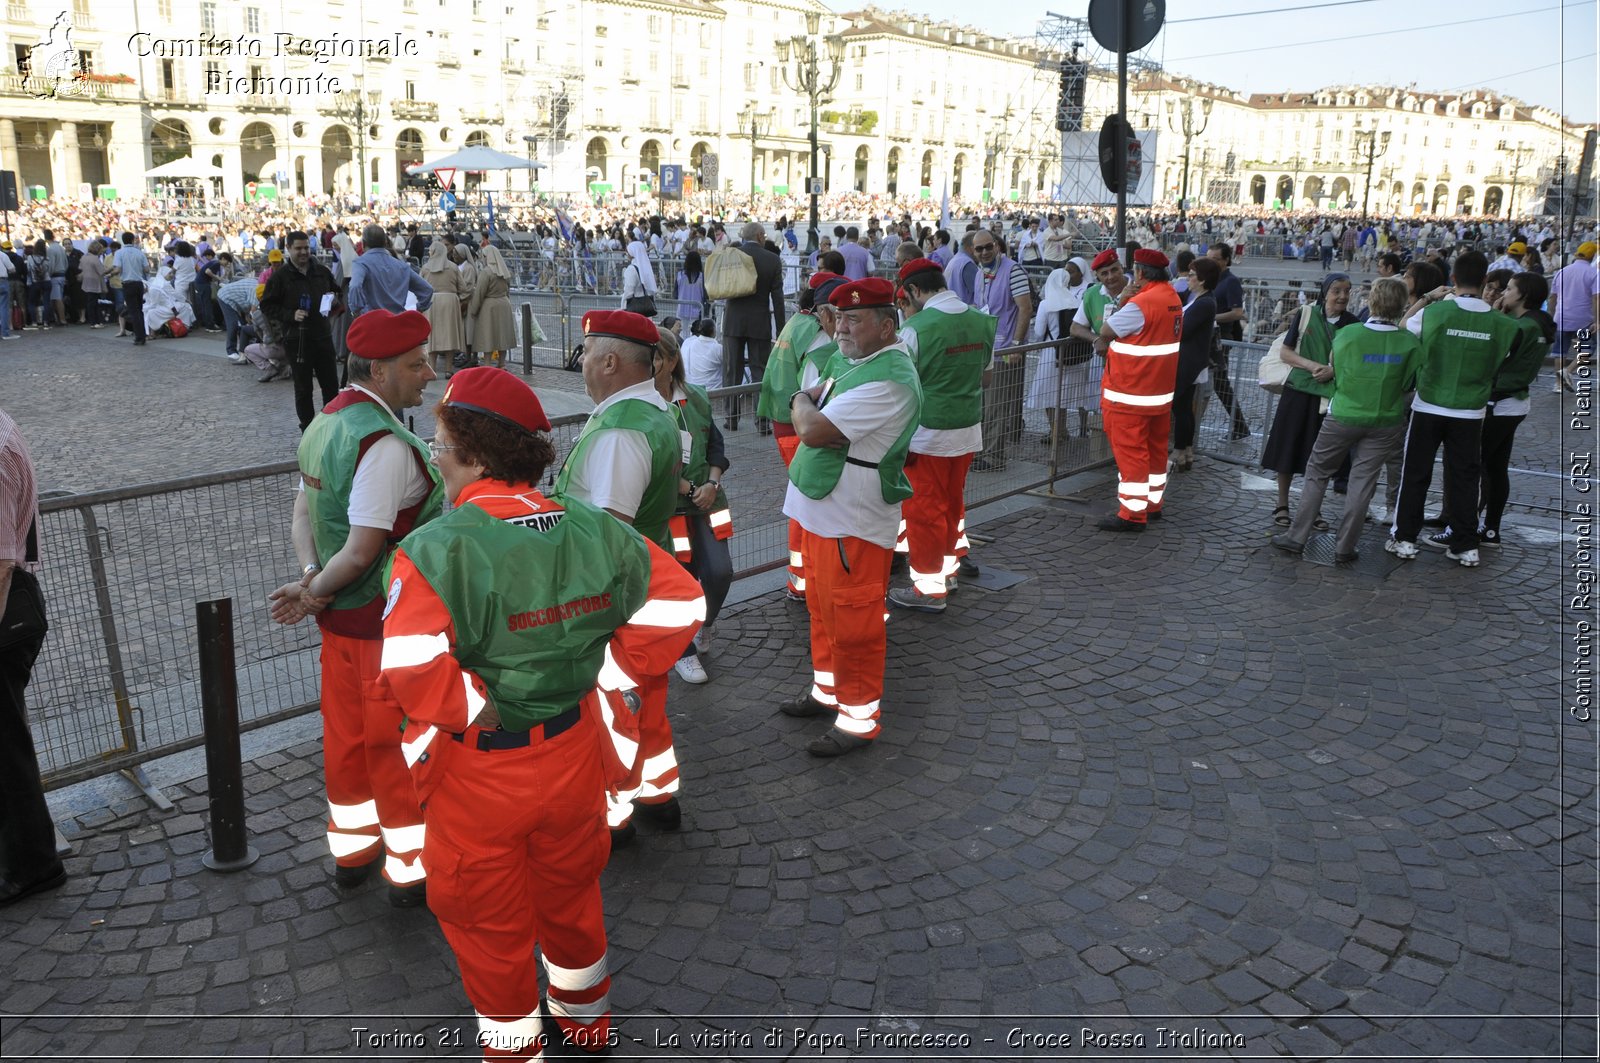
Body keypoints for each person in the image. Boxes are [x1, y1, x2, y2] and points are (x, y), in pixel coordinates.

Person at [380, 366, 702, 1061]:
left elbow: (409, 666)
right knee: (572, 899)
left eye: (438, 444)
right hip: (573, 754)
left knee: (489, 926)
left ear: (473, 453)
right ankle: (586, 1025)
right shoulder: (590, 526)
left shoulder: (438, 547)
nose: (434, 456)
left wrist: (478, 709)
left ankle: (516, 1051)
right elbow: (681, 601)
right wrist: (608, 675)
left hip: (480, 772)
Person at [267, 309, 441, 905]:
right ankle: (409, 870)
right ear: (380, 369)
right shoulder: (383, 443)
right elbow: (366, 548)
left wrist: (312, 580)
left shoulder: (326, 424)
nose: (429, 373)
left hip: (340, 626)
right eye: (417, 364)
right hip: (381, 623)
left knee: (345, 742)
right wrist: (317, 590)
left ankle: (352, 853)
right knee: (393, 746)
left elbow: (302, 515)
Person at [553, 310, 684, 842]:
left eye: (586, 354)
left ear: (609, 360)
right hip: (647, 577)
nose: (581, 364)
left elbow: (608, 532)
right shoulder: (650, 413)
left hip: (615, 594)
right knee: (645, 699)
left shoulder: (620, 429)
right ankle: (657, 794)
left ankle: (617, 811)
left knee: (615, 703)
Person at [780, 278, 921, 756]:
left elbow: (813, 427)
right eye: (838, 317)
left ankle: (858, 719)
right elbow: (815, 404)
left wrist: (800, 400)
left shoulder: (889, 378)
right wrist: (807, 402)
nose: (840, 328)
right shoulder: (857, 360)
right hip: (824, 511)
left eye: (853, 319)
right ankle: (828, 691)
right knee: (823, 612)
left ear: (886, 326)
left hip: (851, 521)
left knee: (854, 623)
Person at [1270, 278, 1420, 563]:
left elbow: (1335, 369)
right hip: (1386, 418)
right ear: (1401, 306)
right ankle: (1345, 546)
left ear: (1372, 302)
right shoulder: (1409, 342)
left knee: (1317, 472)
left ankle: (1296, 536)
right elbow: (1411, 384)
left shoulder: (1349, 334)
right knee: (1363, 482)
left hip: (1345, 413)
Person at [1387, 250, 1520, 567]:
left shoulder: (1435, 313)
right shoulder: (1503, 324)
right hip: (1471, 409)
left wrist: (1428, 300)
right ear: (1486, 280)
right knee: (1465, 477)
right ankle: (1465, 542)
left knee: (1416, 473)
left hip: (1430, 403)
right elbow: (1502, 359)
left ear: (1453, 279)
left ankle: (1405, 538)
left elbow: (1404, 327)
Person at [887, 259, 994, 614]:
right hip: (967, 430)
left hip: (926, 436)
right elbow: (986, 377)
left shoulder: (918, 328)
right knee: (951, 507)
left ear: (915, 291)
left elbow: (899, 385)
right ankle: (948, 575)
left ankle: (929, 591)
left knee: (924, 513)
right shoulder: (981, 320)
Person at [0, 407, 65, 908]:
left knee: (6, 751)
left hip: (6, 613)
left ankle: (31, 866)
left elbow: (0, 561)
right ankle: (25, 860)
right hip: (13, 605)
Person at [757, 272, 846, 603]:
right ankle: (804, 578)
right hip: (799, 428)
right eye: (842, 316)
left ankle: (801, 578)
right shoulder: (821, 343)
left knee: (803, 498)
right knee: (807, 500)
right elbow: (814, 398)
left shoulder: (798, 323)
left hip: (785, 420)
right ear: (826, 314)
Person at [652, 329, 732, 685]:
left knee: (719, 573)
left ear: (670, 361)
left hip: (707, 502)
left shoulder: (695, 397)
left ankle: (706, 625)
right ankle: (682, 651)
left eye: (653, 357)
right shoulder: (641, 405)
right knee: (678, 581)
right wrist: (691, 487)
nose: (646, 365)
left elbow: (716, 444)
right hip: (670, 509)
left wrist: (712, 484)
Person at [1093, 249, 1185, 531]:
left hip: (1129, 395)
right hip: (1158, 394)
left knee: (1131, 455)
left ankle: (1132, 515)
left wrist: (1123, 300)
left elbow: (1107, 330)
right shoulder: (1171, 297)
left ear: (1141, 273)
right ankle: (1152, 504)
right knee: (1156, 451)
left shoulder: (1140, 303)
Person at [1261, 272, 1360, 529]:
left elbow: (1354, 360)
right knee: (1287, 448)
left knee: (1318, 456)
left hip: (1327, 398)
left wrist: (1333, 371)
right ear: (1325, 292)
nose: (1342, 296)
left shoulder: (1352, 323)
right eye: (1337, 290)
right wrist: (1314, 366)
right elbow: (1286, 351)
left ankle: (1312, 509)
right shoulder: (1307, 314)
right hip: (1298, 391)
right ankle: (1282, 504)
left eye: (1347, 291)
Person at [1476, 271, 1554, 548]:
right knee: (1496, 467)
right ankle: (1490, 528)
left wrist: (1496, 316)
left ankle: (1468, 523)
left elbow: (1494, 354)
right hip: (1515, 401)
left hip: (1501, 400)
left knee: (1480, 464)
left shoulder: (1520, 327)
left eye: (1509, 289)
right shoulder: (1537, 323)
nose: (1503, 293)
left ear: (1523, 295)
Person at [260, 231, 342, 431]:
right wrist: (290, 314)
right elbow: (267, 306)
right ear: (288, 249)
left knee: (331, 386)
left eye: (306, 247)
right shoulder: (280, 277)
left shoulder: (321, 271)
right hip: (297, 340)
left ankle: (332, 427)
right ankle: (308, 430)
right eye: (298, 248)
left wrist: (333, 299)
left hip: (322, 336)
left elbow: (336, 290)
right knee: (303, 388)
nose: (304, 252)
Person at [970, 230, 1033, 472]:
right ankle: (983, 451)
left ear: (997, 246)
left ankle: (994, 456)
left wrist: (1017, 344)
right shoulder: (979, 273)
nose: (984, 252)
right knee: (985, 403)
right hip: (987, 347)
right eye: (979, 249)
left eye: (988, 247)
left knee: (997, 403)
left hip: (1006, 347)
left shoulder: (1013, 270)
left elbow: (1025, 309)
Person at [719, 221, 785, 434]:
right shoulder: (772, 260)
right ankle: (762, 421)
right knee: (760, 372)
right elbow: (778, 298)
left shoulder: (732, 255)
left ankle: (731, 417)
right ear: (759, 236)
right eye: (764, 235)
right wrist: (781, 328)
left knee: (731, 371)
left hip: (733, 320)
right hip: (759, 322)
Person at [1026, 258, 1092, 448]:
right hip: (1070, 353)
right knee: (1063, 394)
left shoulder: (1047, 304)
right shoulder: (1074, 301)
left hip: (1050, 351)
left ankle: (1056, 431)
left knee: (1047, 393)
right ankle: (1063, 429)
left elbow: (1038, 332)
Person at [1171, 256, 1220, 474]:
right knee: (1184, 408)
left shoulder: (1205, 302)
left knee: (1181, 408)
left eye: (1192, 275)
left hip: (1188, 362)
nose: (1188, 278)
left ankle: (1180, 450)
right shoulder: (1199, 298)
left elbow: (1182, 330)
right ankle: (1186, 450)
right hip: (1190, 360)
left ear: (1201, 279)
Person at [1205, 243, 1251, 440]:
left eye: (1215, 259)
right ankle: (1240, 426)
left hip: (1222, 339)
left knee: (1221, 384)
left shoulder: (1230, 281)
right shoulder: (1210, 279)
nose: (1211, 262)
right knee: (1218, 384)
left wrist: (1211, 317)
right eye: (1209, 258)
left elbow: (1237, 313)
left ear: (1225, 260)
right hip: (1209, 337)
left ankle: (1240, 426)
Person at [348, 223, 434, 318]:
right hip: (397, 321)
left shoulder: (361, 263)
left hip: (372, 321)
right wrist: (418, 309)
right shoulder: (401, 266)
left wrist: (356, 311)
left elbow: (355, 286)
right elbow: (427, 290)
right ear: (385, 243)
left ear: (363, 243)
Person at [1551, 241, 1598, 392]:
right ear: (1592, 256)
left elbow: (1553, 297)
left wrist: (1551, 316)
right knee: (1588, 348)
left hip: (1561, 316)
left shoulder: (1562, 271)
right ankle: (1568, 371)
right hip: (1583, 318)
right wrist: (1597, 320)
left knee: (1560, 351)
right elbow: (1597, 298)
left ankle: (1557, 385)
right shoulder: (1593, 273)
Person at [420, 242, 465, 376]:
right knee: (449, 335)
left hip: (432, 302)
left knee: (432, 335)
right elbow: (462, 287)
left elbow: (420, 287)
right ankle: (448, 369)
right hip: (450, 302)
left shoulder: (426, 268)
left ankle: (432, 367)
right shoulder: (453, 267)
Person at [468, 245, 517, 370]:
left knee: (487, 334)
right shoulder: (505, 271)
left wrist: (474, 309)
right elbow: (508, 290)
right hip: (504, 303)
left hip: (489, 306)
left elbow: (480, 292)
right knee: (502, 335)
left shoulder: (486, 272)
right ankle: (502, 363)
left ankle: (488, 363)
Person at [113, 233, 150, 346]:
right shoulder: (139, 253)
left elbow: (118, 269)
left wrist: (109, 274)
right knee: (139, 310)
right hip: (139, 283)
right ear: (133, 240)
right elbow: (147, 269)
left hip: (128, 284)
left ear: (123, 241)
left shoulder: (119, 253)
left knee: (133, 311)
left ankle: (139, 337)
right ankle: (142, 335)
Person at [618, 239, 658, 317]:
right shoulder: (647, 267)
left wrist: (623, 307)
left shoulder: (632, 269)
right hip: (646, 307)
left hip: (635, 308)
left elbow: (628, 291)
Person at [681, 317, 722, 391]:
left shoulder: (691, 343)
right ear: (713, 330)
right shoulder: (718, 348)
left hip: (694, 387)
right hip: (713, 389)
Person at [78, 240, 109, 328]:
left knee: (90, 302)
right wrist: (110, 269)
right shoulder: (95, 259)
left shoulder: (84, 257)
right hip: (95, 282)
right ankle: (95, 322)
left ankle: (93, 322)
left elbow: (80, 267)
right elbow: (102, 271)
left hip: (86, 282)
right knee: (95, 303)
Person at [43, 230, 67, 327]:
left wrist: (48, 274)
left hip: (55, 276)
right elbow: (66, 262)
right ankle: (61, 318)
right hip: (62, 274)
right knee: (58, 298)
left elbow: (50, 265)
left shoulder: (50, 249)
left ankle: (62, 319)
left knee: (57, 299)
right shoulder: (60, 247)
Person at [676, 250, 707, 322]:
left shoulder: (680, 275)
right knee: (695, 332)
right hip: (697, 310)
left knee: (682, 331)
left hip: (681, 309)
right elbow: (705, 294)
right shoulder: (702, 277)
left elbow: (675, 293)